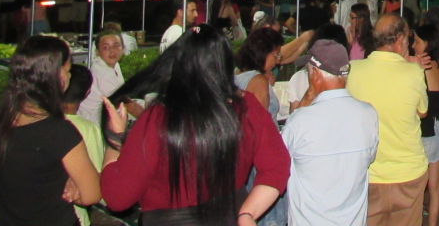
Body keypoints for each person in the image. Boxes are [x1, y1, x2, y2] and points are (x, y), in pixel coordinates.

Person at [100, 24, 290, 225]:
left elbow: (117, 197)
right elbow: (278, 166)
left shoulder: (157, 119)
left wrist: (115, 139)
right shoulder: (246, 108)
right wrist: (247, 213)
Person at [0, 36, 102, 226]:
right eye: (68, 71)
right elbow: (92, 194)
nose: (69, 77)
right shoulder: (59, 132)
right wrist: (72, 186)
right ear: (57, 77)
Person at [283, 39, 379, 226]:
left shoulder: (300, 121)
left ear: (316, 76)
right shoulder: (368, 115)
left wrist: (307, 98)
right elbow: (370, 157)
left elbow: (280, 159)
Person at [346, 14, 430, 226]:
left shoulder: (353, 70)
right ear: (400, 40)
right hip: (408, 173)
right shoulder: (414, 73)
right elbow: (423, 112)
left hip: (368, 173)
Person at [413, 25, 439, 226]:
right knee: (436, 187)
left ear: (427, 43)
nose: (413, 46)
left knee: (419, 186)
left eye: (417, 41)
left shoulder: (422, 67)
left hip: (425, 130)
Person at [61, 64, 106, 226]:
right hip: (75, 216)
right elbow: (96, 180)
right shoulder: (88, 129)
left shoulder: (41, 122)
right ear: (87, 93)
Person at [78, 28, 127, 124]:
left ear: (123, 48)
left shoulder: (114, 65)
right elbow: (125, 103)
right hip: (92, 124)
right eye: (106, 47)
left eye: (116, 46)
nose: (112, 51)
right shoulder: (101, 71)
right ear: (97, 52)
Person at [235, 27, 286, 115]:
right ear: (263, 52)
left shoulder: (236, 73)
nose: (277, 61)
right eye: (276, 55)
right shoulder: (259, 82)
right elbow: (260, 122)